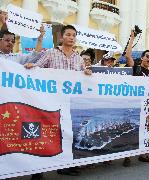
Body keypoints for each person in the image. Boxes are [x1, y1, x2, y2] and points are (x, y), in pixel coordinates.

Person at [25, 25, 91, 179]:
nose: (71, 37)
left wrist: (87, 73)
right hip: (50, 103)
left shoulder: (79, 59)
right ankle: (38, 170)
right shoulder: (51, 53)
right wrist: (31, 67)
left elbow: (83, 78)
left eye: (74, 35)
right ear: (61, 37)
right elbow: (38, 67)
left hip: (68, 105)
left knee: (66, 135)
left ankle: (64, 166)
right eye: (68, 34)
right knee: (45, 134)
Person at [125, 30, 149, 164]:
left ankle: (143, 155)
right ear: (142, 57)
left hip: (146, 107)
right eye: (147, 56)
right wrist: (132, 38)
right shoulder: (135, 68)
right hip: (134, 105)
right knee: (132, 131)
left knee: (144, 129)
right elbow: (127, 56)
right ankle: (127, 156)